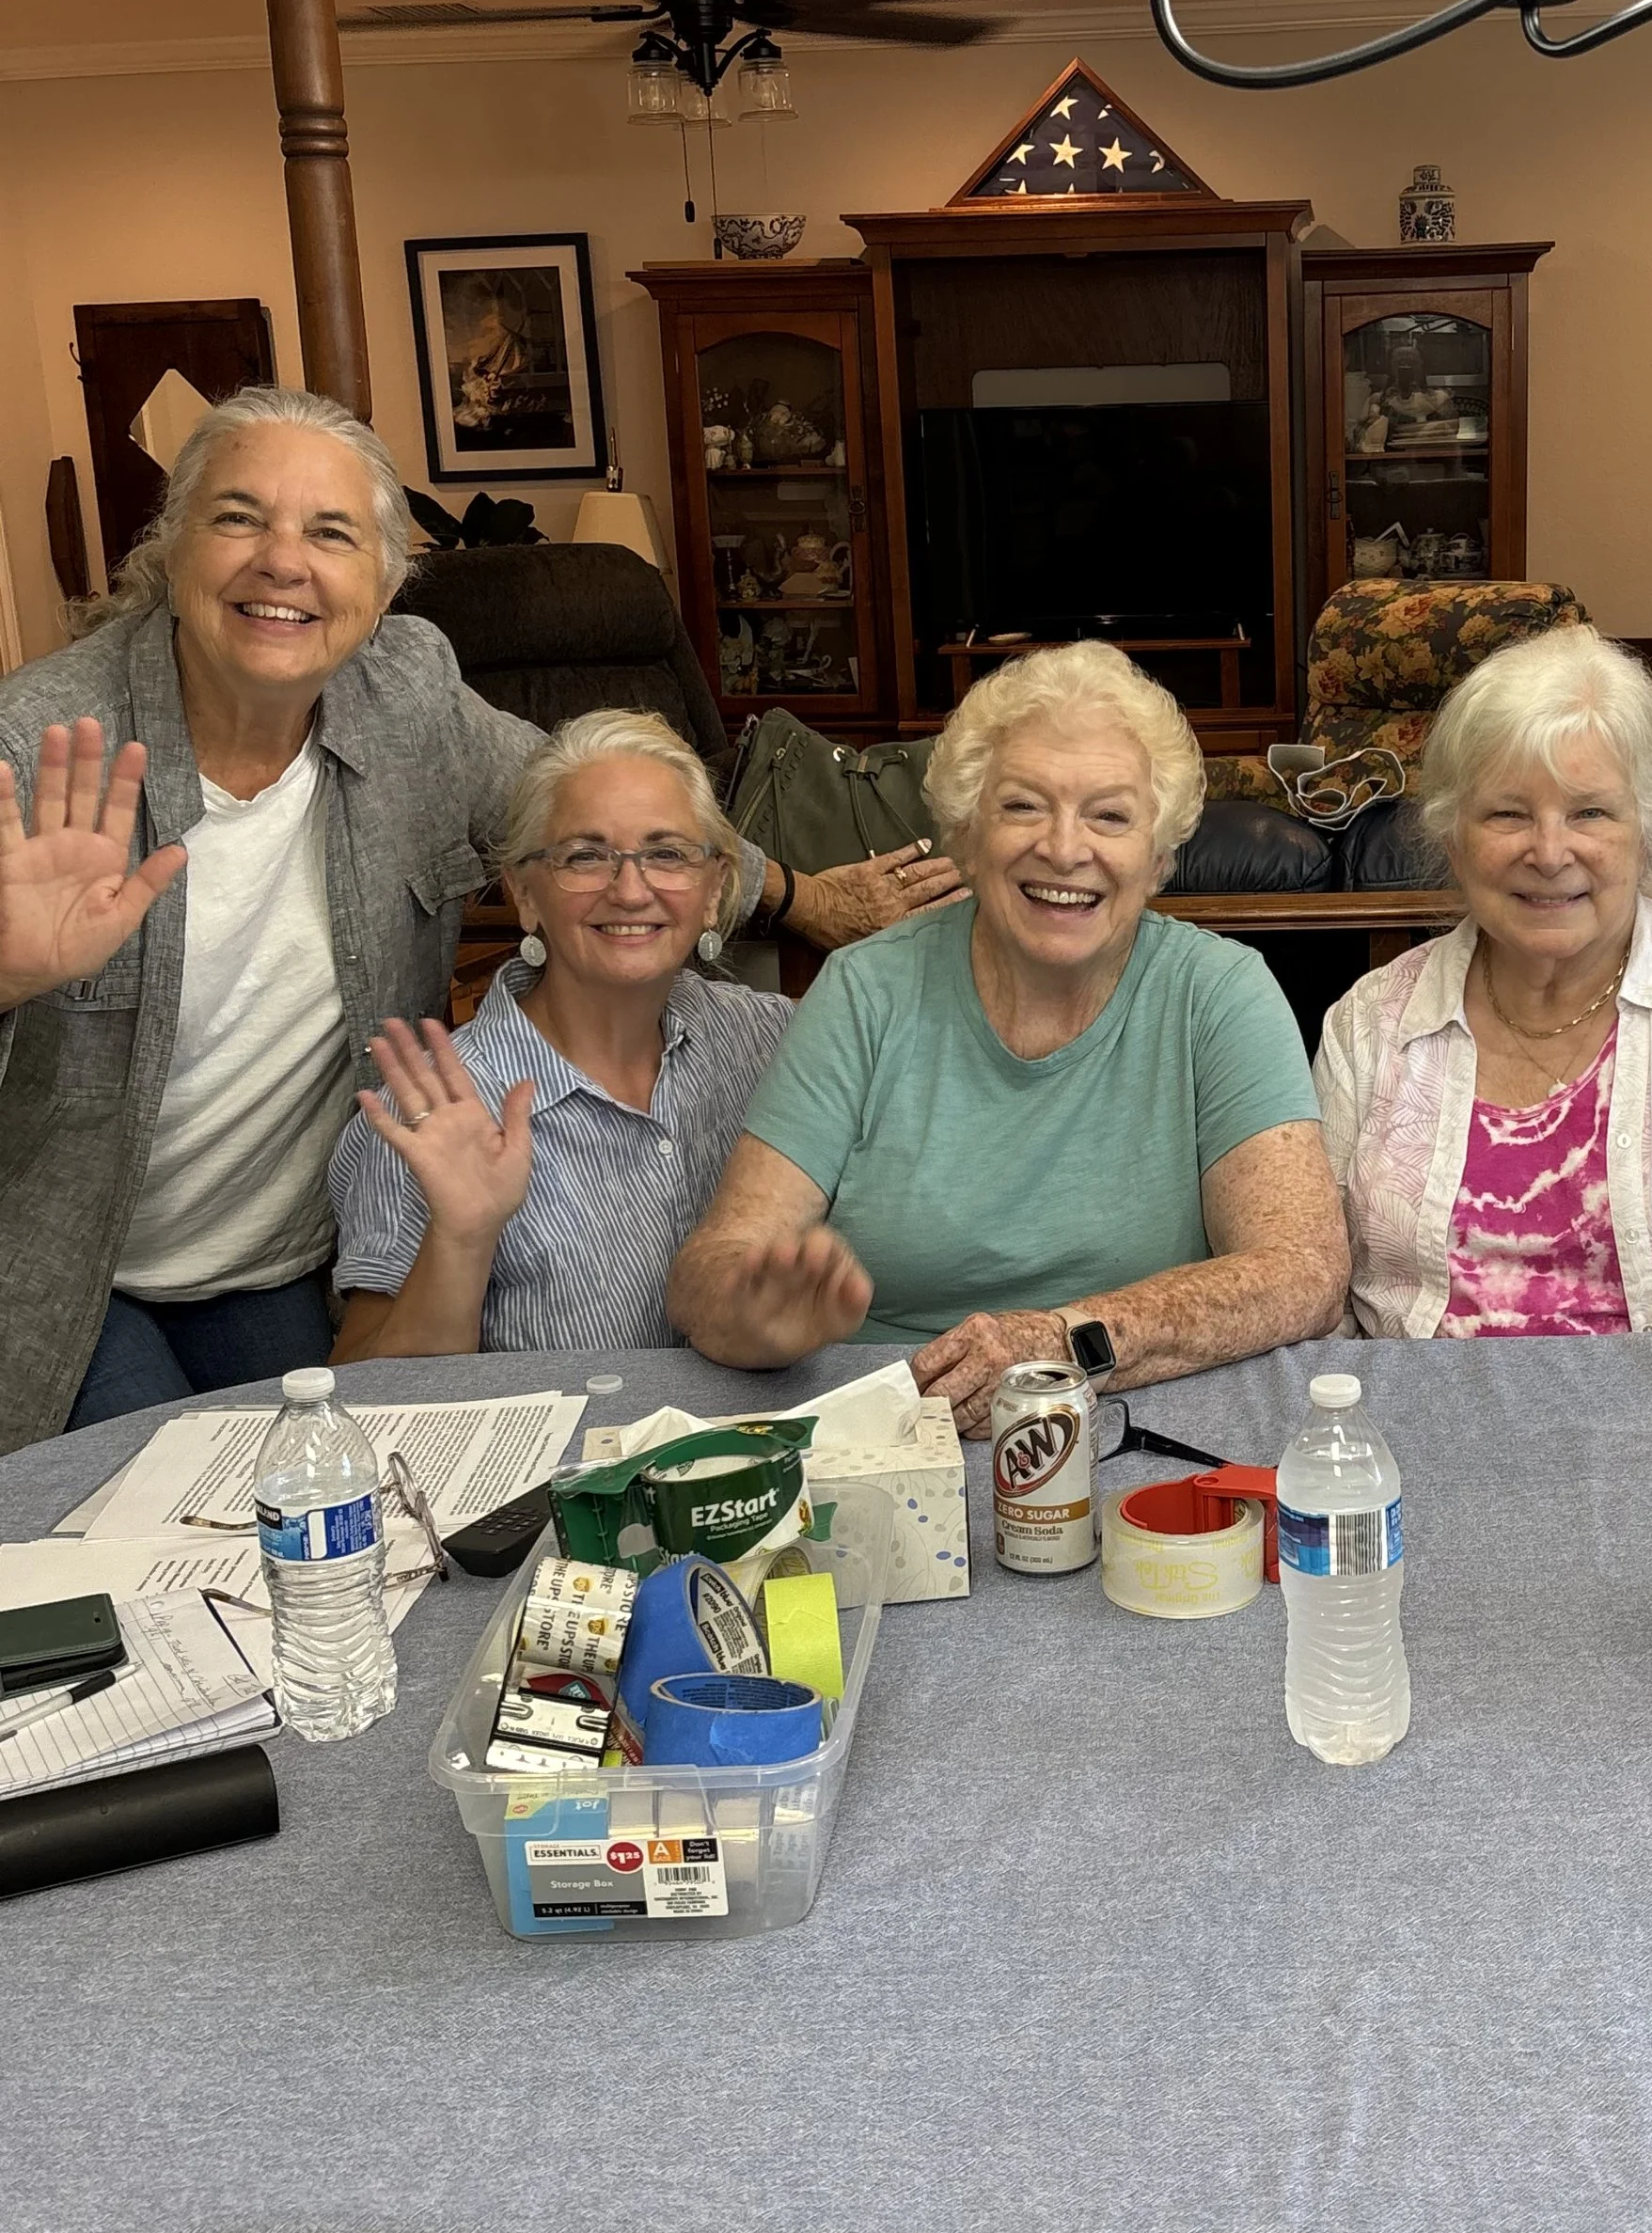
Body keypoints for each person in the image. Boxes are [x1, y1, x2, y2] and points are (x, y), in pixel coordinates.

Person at [0, 385, 961, 1449]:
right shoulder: (37, 745)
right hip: (61, 1262)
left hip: (270, 1252)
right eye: (238, 517)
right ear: (172, 544)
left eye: (330, 531)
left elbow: (595, 815)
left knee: (321, 1508)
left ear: (384, 581)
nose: (283, 561)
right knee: (149, 1541)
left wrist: (800, 896)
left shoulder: (405, 693)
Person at [669, 639, 1349, 1427]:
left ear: (1158, 855)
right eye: (1023, 804)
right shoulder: (865, 989)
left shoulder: (1219, 994)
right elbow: (710, 1269)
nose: (1065, 847)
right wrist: (752, 1314)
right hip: (898, 1431)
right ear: (966, 830)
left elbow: (1302, 1269)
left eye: (1110, 815)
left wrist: (1067, 1342)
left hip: (1146, 1427)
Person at [1314, 626, 1652, 1336]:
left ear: (1647, 828)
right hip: (1407, 1434)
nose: (1548, 850)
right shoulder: (1370, 1021)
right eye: (1507, 812)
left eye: (1589, 811)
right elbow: (1319, 1309)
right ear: (1453, 836)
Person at [327, 713, 790, 1357]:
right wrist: (460, 1240)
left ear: (715, 890)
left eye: (666, 854)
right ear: (525, 894)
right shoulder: (437, 1109)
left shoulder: (773, 1040)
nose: (631, 890)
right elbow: (368, 1403)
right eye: (584, 856)